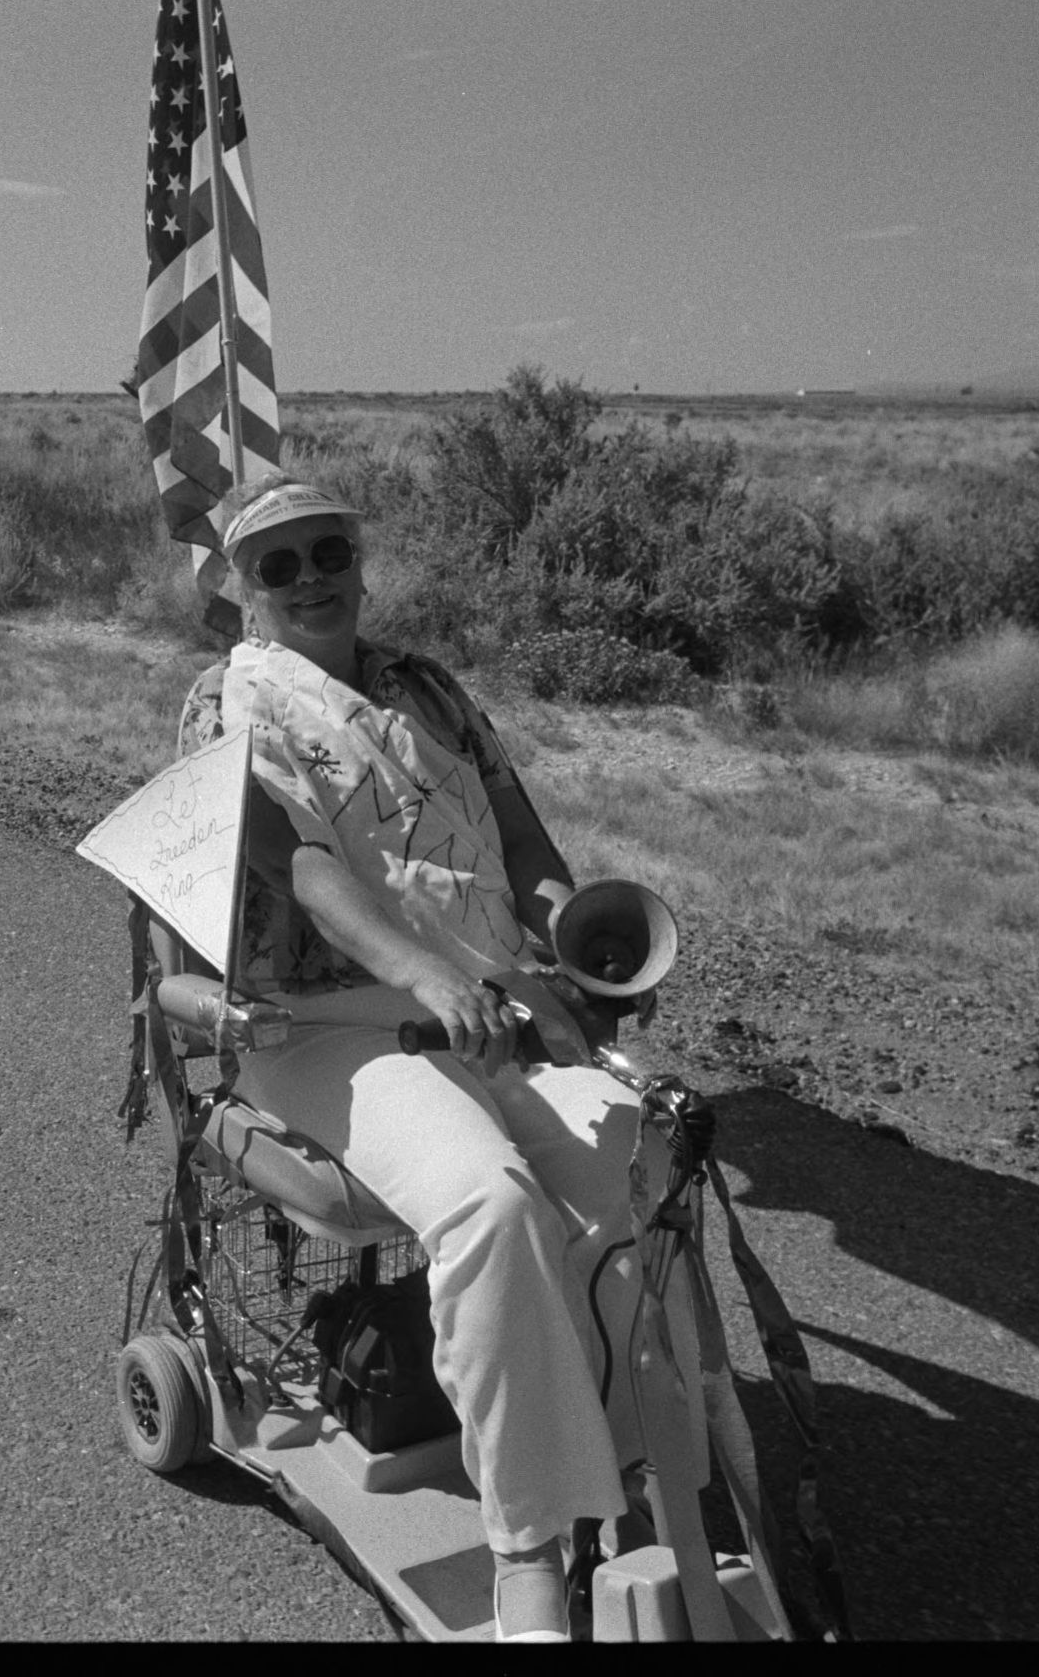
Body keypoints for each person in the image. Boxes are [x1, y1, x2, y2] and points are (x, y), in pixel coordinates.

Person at [177, 479, 676, 1643]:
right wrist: (422, 975)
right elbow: (297, 866)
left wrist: (569, 935)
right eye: (280, 565)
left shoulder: (426, 687)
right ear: (244, 591)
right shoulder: (226, 702)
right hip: (325, 1027)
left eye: (328, 550)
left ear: (359, 557)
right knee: (489, 1201)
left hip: (491, 1001)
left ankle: (653, 1471)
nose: (311, 579)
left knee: (640, 1173)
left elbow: (516, 830)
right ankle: (532, 1552)